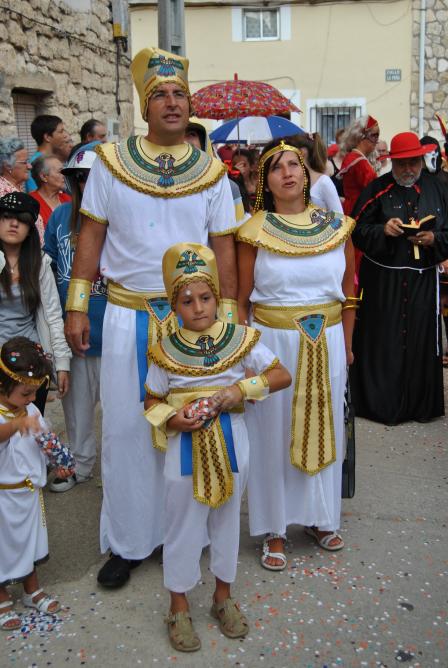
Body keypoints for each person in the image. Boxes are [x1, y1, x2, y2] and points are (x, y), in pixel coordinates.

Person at [64, 47, 238, 589]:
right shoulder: (110, 163)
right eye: (159, 94)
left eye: (179, 93)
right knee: (125, 431)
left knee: (192, 427)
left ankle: (185, 536)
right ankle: (129, 541)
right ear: (145, 105)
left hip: (194, 322)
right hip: (126, 315)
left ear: (190, 104)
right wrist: (76, 305)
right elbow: (90, 235)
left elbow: (224, 246)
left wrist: (230, 316)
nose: (171, 102)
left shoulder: (212, 172)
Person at [144, 242, 291, 651]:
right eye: (187, 300)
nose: (198, 308)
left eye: (205, 298)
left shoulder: (241, 339)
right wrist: (174, 419)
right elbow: (151, 401)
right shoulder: (164, 351)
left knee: (226, 521)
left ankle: (223, 597)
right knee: (182, 524)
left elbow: (281, 375)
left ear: (217, 297)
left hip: (232, 439)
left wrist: (239, 390)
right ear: (174, 306)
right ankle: (178, 605)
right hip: (184, 448)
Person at [237, 138, 356, 569]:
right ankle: (274, 528)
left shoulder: (337, 226)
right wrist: (246, 356)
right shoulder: (253, 230)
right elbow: (240, 300)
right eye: (276, 167)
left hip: (327, 341)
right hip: (273, 343)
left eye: (294, 164)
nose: (287, 172)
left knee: (326, 427)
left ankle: (321, 518)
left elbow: (349, 292)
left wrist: (348, 344)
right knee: (273, 432)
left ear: (306, 174)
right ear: (264, 181)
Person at [350, 132, 448, 425]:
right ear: (392, 163)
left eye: (413, 163)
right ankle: (382, 406)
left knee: (419, 342)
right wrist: (383, 230)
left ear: (421, 161)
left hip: (422, 282)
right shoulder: (377, 189)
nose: (408, 169)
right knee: (385, 343)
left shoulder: (438, 189)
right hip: (384, 283)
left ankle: (420, 406)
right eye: (402, 164)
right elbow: (355, 230)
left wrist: (435, 239)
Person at [44, 143, 106, 492]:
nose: (86, 184)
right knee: (77, 410)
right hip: (73, 332)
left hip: (113, 330)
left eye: (93, 177)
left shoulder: (122, 220)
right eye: (79, 177)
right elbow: (48, 268)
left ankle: (120, 471)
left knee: (120, 414)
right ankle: (80, 465)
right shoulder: (60, 217)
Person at [0, 337, 69, 630]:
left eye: (35, 393)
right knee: (4, 546)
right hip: (4, 497)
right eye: (25, 393)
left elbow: (43, 442)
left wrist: (57, 463)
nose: (31, 399)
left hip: (30, 493)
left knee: (30, 543)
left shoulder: (31, 411)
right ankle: (2, 596)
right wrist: (16, 425)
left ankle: (31, 589)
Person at [0, 193, 71, 415]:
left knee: (28, 427)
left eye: (22, 220)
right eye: (7, 217)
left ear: (30, 229)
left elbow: (53, 316)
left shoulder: (40, 264)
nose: (14, 224)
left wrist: (61, 364)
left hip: (31, 362)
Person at [0, 138, 45, 243]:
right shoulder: (2, 193)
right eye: (25, 162)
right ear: (8, 165)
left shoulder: (16, 188)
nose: (30, 166)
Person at [291, 133, 343, 213]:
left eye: (291, 150)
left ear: (302, 152)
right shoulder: (293, 180)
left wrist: (317, 219)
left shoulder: (323, 181)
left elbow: (339, 216)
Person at [338, 115, 379, 216]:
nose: (377, 140)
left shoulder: (353, 157)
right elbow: (374, 190)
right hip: (359, 212)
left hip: (353, 209)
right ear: (361, 136)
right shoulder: (359, 162)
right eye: (374, 135)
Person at [25, 115, 70, 193]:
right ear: (47, 137)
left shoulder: (56, 159)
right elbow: (35, 196)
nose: (65, 135)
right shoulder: (34, 164)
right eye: (61, 131)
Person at [29, 156, 71, 229]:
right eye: (60, 172)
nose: (64, 175)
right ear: (44, 177)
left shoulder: (68, 199)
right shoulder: (30, 202)